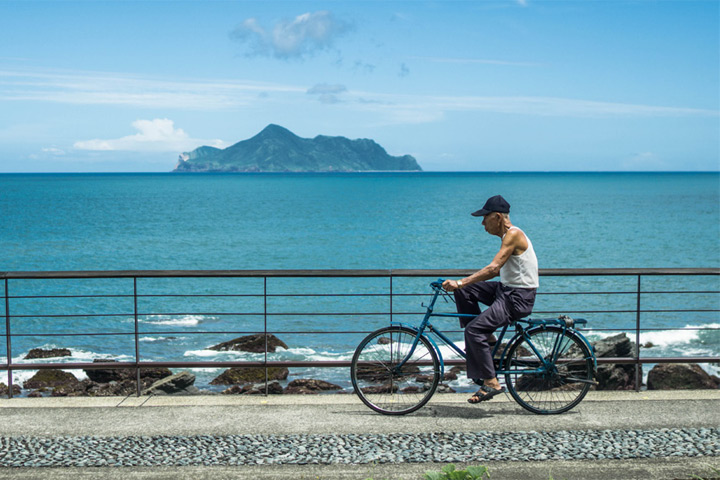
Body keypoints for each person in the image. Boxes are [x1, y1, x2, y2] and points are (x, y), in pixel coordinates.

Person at [442, 195, 538, 404]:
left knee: (473, 330)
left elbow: (494, 268)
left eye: (485, 217)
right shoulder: (508, 236)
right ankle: (489, 339)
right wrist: (462, 285)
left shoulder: (513, 235)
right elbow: (496, 273)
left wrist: (460, 281)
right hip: (506, 290)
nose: (482, 222)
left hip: (517, 298)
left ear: (496, 217)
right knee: (465, 291)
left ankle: (491, 382)